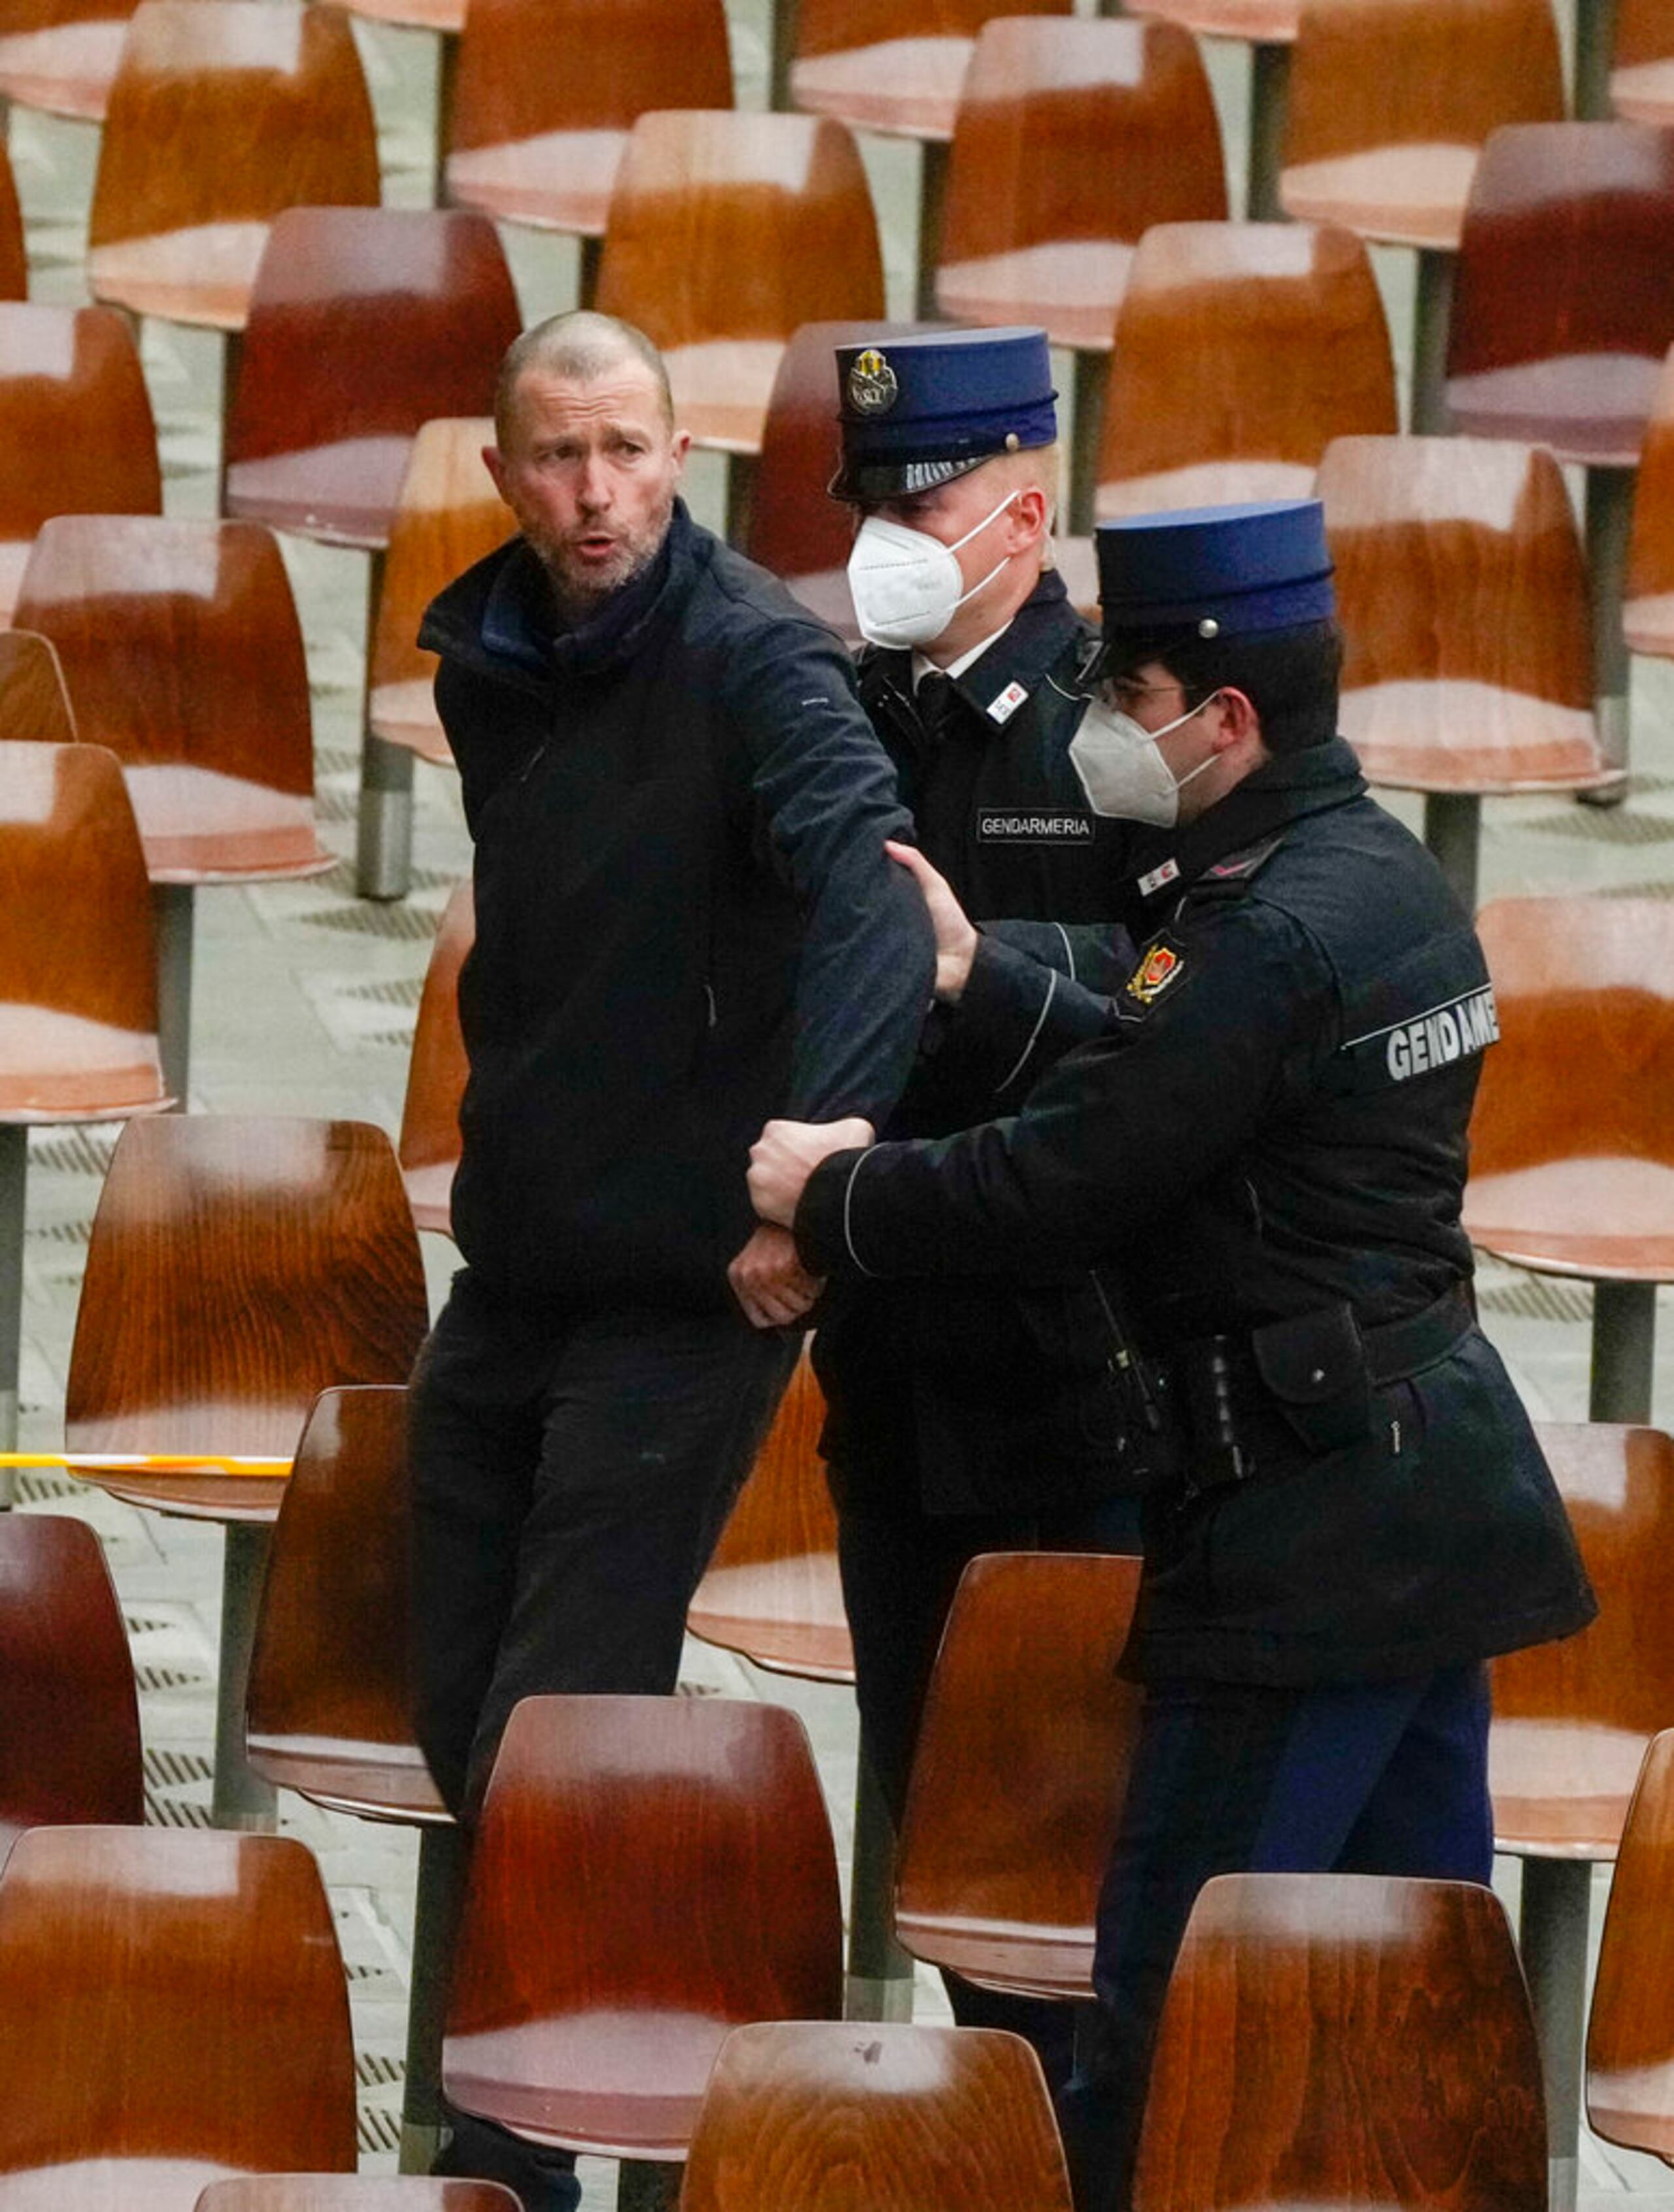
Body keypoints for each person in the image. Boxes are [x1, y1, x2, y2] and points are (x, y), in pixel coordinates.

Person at [747, 499, 1597, 2212]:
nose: (1100, 730)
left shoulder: (1265, 930)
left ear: (1222, 721)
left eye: (1125, 695)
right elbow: (1164, 1018)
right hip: (1432, 1503)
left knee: (1175, 2006)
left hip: (1301, 1542)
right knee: (1412, 1992)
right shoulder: (1371, 877)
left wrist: (836, 1200)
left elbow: (1069, 1173)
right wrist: (988, 967)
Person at [408, 310, 934, 2207]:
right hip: (526, 1261)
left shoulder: (755, 663)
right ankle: (542, 2062)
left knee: (561, 1711)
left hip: (688, 1294)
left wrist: (816, 1182)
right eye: (556, 456)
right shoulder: (494, 662)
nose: (595, 490)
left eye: (625, 449)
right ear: (503, 474)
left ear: (681, 454)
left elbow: (876, 908)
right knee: (453, 1679)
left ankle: (519, 2151)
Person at [807, 327, 1142, 2071]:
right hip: (895, 1379)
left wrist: (983, 972)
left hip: (1083, 1390)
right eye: (866, 495)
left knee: (1083, 1886)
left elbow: (1207, 1018)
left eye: (920, 495)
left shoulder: (1132, 731)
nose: (886, 528)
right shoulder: (835, 711)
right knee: (944, 1852)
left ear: (1024, 507)